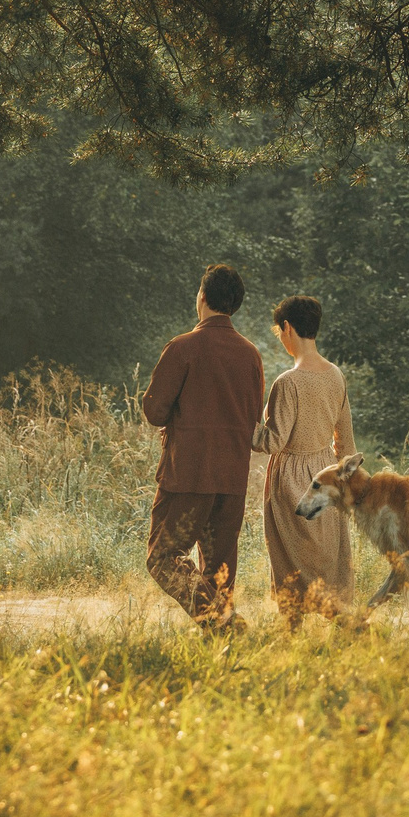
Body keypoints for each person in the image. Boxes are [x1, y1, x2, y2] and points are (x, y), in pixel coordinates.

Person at [140, 262, 266, 633]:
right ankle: (224, 642)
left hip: (188, 473)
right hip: (232, 476)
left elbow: (154, 409)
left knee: (163, 557)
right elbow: (253, 413)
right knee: (219, 569)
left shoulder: (183, 347)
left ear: (203, 297)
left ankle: (223, 621)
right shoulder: (251, 355)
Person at [255, 294, 359, 627]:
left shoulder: (287, 383)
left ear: (287, 328)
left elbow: (272, 441)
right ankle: (343, 620)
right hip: (327, 478)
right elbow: (346, 444)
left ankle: (298, 632)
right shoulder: (336, 376)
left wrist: (241, 422)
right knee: (326, 557)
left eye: (279, 331)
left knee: (290, 559)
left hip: (291, 482)